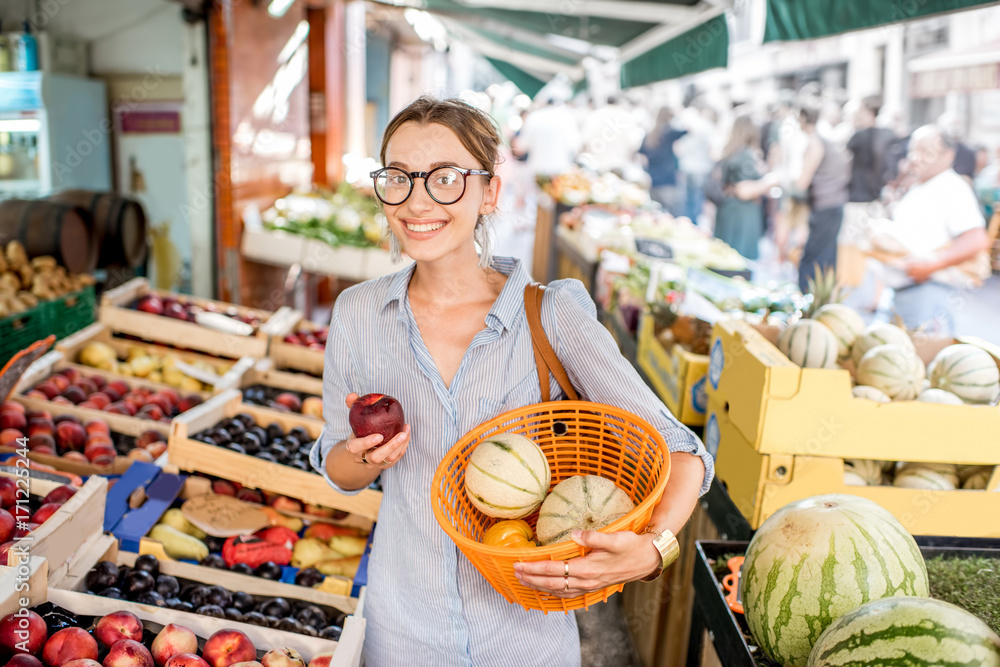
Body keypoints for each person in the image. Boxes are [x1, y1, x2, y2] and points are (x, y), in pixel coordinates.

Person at [310, 96, 713, 667]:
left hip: (525, 643)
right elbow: (337, 468)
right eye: (397, 177)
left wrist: (653, 553)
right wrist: (364, 458)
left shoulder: (550, 315)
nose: (417, 200)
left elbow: (682, 450)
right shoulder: (357, 313)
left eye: (446, 178)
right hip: (400, 635)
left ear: (490, 192)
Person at [877, 125, 991, 334]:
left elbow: (976, 238)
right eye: (913, 150)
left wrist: (930, 266)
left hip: (926, 293)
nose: (916, 157)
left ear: (948, 155)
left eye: (926, 152)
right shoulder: (920, 184)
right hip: (902, 292)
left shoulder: (952, 186)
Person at [796, 99, 850, 291]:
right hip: (833, 203)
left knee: (814, 257)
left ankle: (808, 296)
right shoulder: (825, 140)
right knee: (825, 256)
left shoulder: (815, 142)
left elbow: (802, 181)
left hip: (825, 206)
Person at [713, 113, 776, 260]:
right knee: (737, 261)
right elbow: (744, 191)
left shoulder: (730, 151)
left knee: (723, 257)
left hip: (728, 209)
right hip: (741, 213)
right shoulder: (745, 155)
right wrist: (772, 180)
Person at [639, 107, 686, 215]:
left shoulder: (649, 135)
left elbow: (642, 158)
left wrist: (647, 172)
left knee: (656, 214)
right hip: (668, 180)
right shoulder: (669, 132)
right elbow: (687, 130)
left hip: (653, 181)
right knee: (674, 215)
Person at [517, 97, 581, 177]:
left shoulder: (534, 117)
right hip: (560, 170)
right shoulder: (567, 118)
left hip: (537, 170)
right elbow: (575, 145)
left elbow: (522, 146)